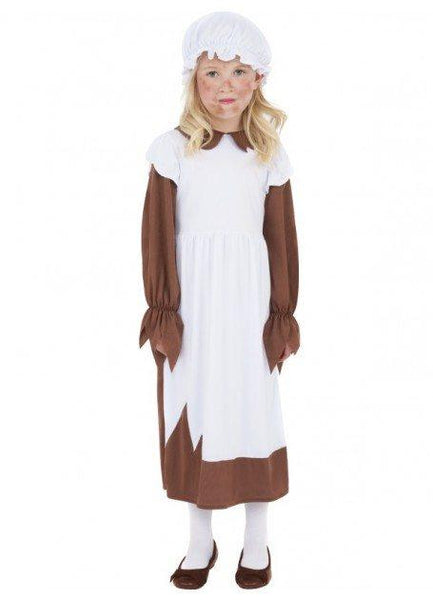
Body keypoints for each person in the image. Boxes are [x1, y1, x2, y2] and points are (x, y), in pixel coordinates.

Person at [139, 11, 300, 589]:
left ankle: (257, 537)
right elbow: (157, 236)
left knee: (252, 408)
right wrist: (164, 310)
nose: (225, 86)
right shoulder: (172, 151)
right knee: (197, 404)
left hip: (250, 307)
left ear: (258, 80)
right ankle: (199, 539)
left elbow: (281, 241)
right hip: (193, 308)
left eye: (238, 72)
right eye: (212, 73)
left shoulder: (268, 155)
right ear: (193, 78)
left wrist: (282, 315)